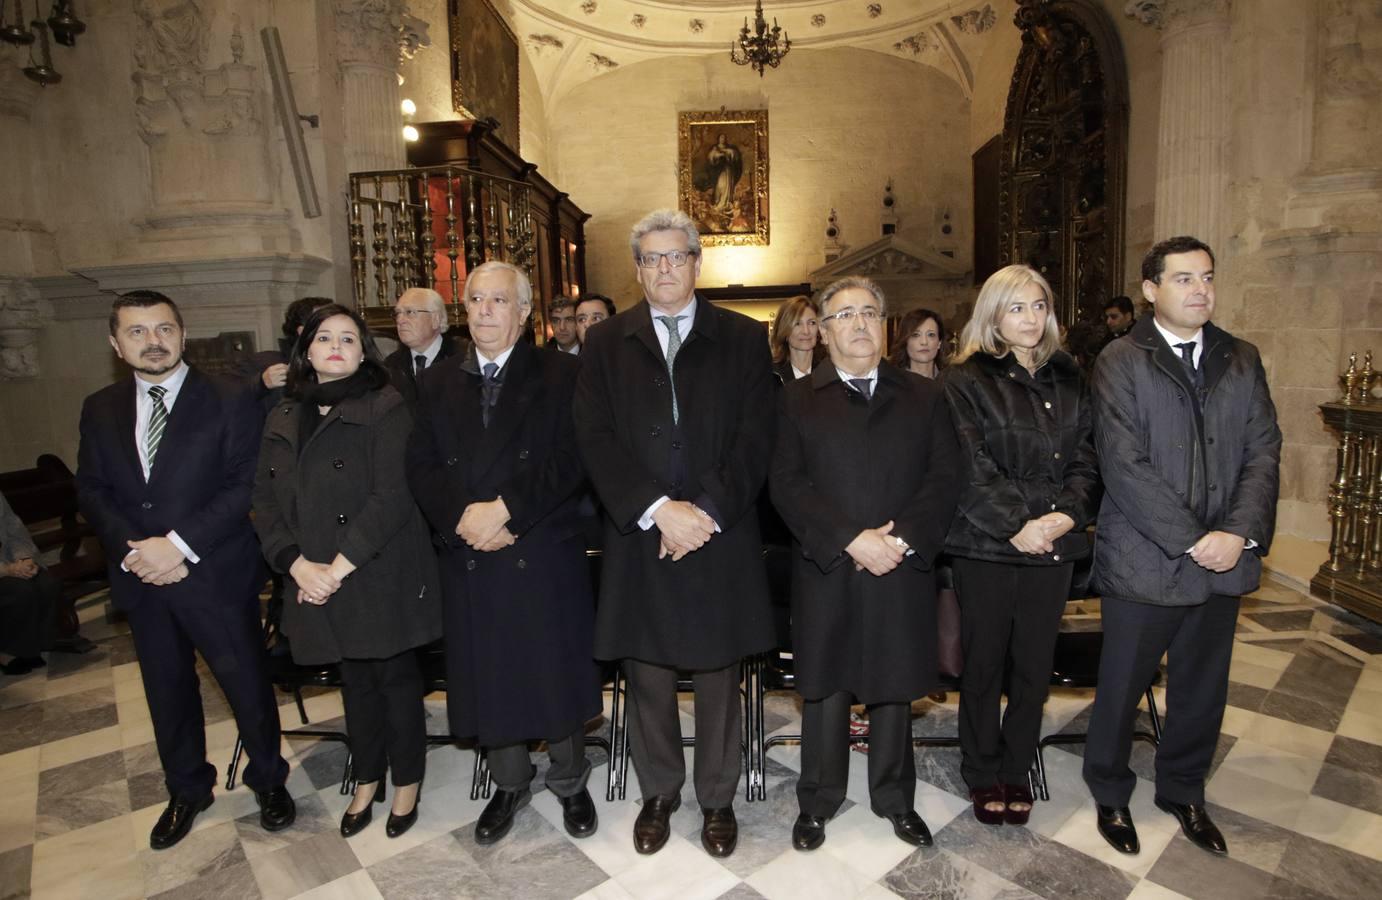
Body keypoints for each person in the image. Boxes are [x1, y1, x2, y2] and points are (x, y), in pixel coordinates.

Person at [573, 209, 775, 859]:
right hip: (642, 532)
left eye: (677, 256)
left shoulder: (744, 338)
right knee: (648, 671)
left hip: (722, 531)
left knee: (720, 670)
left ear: (697, 263)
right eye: (652, 259)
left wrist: (704, 513)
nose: (665, 268)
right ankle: (660, 791)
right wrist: (658, 507)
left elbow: (755, 439)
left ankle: (717, 797)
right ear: (637, 270)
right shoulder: (605, 343)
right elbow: (594, 438)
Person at [1083, 236, 1280, 857]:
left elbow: (1263, 450)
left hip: (1224, 553)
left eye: (1208, 278)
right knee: (1123, 682)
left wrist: (1238, 533)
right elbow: (1122, 462)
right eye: (1184, 278)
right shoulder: (1120, 358)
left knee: (1202, 685)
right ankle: (1110, 790)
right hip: (1148, 556)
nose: (1200, 289)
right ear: (1151, 290)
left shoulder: (1241, 357)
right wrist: (1195, 539)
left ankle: (1183, 788)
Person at [75, 290, 294, 850]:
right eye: (138, 332)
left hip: (213, 571)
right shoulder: (99, 407)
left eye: (164, 329)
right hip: (141, 576)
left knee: (244, 680)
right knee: (166, 689)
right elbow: (94, 488)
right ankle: (187, 788)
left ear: (182, 332)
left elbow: (244, 482)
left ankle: (269, 779)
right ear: (115, 343)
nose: (154, 342)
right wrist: (139, 552)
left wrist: (176, 546)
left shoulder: (229, 398)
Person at [407, 261, 601, 846]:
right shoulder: (437, 381)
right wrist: (463, 519)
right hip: (471, 551)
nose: (485, 310)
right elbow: (420, 464)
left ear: (524, 311)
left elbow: (573, 459)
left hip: (538, 544)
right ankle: (510, 781)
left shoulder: (562, 374)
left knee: (554, 670)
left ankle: (569, 779)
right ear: (464, 311)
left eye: (498, 301)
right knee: (487, 673)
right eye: (475, 300)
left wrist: (509, 511)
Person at [771, 275, 961, 851]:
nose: (859, 324)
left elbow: (945, 477)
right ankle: (818, 800)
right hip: (829, 564)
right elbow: (786, 483)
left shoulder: (924, 395)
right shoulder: (795, 398)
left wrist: (899, 541)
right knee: (825, 687)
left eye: (870, 313)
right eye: (844, 315)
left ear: (886, 326)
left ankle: (895, 799)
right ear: (824, 331)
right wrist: (851, 539)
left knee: (893, 685)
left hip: (900, 567)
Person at [252, 303, 441, 840]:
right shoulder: (282, 414)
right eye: (325, 337)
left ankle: (406, 782)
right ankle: (365, 777)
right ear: (306, 349)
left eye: (349, 339)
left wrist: (335, 567)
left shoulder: (385, 406)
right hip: (311, 571)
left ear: (364, 352)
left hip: (375, 568)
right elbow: (263, 501)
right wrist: (294, 564)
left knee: (396, 680)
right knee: (354, 681)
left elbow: (391, 497)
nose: (336, 346)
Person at [941, 265, 1100, 828]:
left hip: (1053, 542)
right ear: (993, 315)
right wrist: (1018, 524)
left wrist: (1065, 515)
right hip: (987, 543)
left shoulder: (1070, 376)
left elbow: (1088, 455)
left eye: (1039, 306)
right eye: (1017, 308)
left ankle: (1015, 767)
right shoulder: (965, 379)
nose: (1030, 319)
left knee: (1035, 666)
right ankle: (982, 771)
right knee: (984, 664)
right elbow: (968, 464)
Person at [242, 296, 332, 416]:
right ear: (303, 331)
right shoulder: (264, 362)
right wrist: (261, 384)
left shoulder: (345, 362)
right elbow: (226, 398)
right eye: (326, 322)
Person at [0, 490, 58, 675]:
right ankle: (7, 651)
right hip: (2, 569)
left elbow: (14, 529)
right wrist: (6, 570)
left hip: (10, 560)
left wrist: (24, 558)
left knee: (46, 584)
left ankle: (34, 644)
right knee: (18, 591)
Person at [383, 286, 463, 406]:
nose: (400, 320)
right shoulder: (391, 365)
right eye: (397, 314)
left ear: (435, 319)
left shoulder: (462, 359)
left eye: (409, 312)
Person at [769, 295, 821, 384]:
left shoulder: (831, 370)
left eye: (812, 323)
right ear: (784, 329)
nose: (806, 331)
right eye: (797, 323)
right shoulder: (771, 374)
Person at [888, 307, 948, 379]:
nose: (924, 342)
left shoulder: (951, 384)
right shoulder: (891, 383)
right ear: (905, 342)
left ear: (939, 343)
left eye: (931, 335)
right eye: (915, 335)